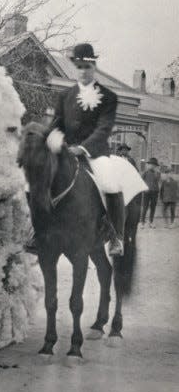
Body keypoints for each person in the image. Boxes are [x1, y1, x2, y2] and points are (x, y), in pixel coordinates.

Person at [25, 43, 146, 256]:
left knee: (110, 182)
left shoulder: (108, 97)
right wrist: (48, 138)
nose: (83, 71)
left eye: (87, 67)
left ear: (94, 67)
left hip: (96, 153)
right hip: (66, 152)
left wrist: (83, 148)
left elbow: (103, 129)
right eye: (79, 67)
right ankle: (39, 233)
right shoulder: (65, 96)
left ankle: (116, 236)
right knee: (35, 181)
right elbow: (57, 124)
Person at [141, 157, 161, 228]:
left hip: (155, 193)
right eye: (151, 164)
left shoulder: (157, 173)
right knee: (145, 207)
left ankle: (151, 222)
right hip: (146, 193)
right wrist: (144, 189)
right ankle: (142, 222)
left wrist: (156, 172)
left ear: (156, 166)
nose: (152, 166)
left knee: (153, 207)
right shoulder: (145, 173)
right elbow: (141, 182)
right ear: (148, 165)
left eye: (154, 165)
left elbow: (158, 180)